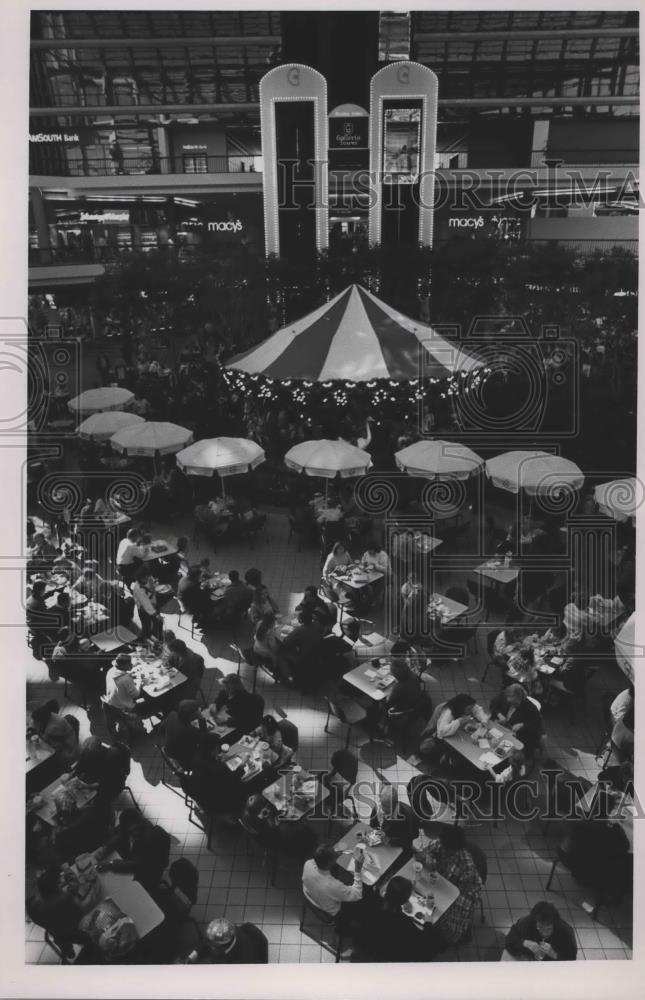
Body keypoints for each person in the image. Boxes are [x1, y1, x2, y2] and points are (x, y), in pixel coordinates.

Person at [95, 809, 171, 894]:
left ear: (138, 824)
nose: (129, 832)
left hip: (149, 872)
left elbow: (135, 865)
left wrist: (110, 863)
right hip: (137, 861)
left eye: (131, 829)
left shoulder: (149, 839)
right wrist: (105, 848)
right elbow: (121, 834)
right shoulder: (137, 823)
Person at [431, 826, 483, 948]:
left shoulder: (466, 865)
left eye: (448, 850)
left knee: (451, 919)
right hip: (444, 883)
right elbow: (428, 851)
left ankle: (453, 937)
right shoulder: (442, 843)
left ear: (456, 849)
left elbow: (454, 889)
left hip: (465, 893)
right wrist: (429, 857)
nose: (444, 850)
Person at [353, 876, 422, 963]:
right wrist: (428, 924)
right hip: (380, 955)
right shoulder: (403, 922)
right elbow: (420, 946)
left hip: (361, 943)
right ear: (405, 900)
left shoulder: (372, 901)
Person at [26, 867, 87, 959]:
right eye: (58, 883)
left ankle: (68, 952)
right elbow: (74, 886)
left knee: (62, 941)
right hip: (73, 930)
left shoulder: (31, 904)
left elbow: (36, 918)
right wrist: (67, 871)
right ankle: (88, 945)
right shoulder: (63, 899)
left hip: (57, 933)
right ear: (55, 888)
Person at [241, 794, 317, 858]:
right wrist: (274, 825)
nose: (265, 809)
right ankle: (305, 848)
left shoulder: (247, 814)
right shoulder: (261, 823)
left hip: (266, 835)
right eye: (264, 806)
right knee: (298, 825)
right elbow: (273, 834)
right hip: (276, 841)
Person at [302, 844, 365, 920]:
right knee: (363, 899)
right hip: (330, 910)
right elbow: (357, 894)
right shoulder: (333, 885)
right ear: (330, 863)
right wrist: (357, 869)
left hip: (309, 894)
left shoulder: (308, 864)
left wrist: (334, 854)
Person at [505, 901, 578, 961]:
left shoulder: (565, 931)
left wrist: (554, 955)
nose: (544, 933)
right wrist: (524, 942)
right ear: (535, 921)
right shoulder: (527, 922)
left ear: (554, 924)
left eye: (548, 929)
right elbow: (508, 941)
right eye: (540, 927)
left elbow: (572, 959)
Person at [419, 693, 485, 757]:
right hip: (440, 734)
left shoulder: (467, 706)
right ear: (461, 707)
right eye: (468, 709)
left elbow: (477, 709)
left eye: (471, 708)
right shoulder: (448, 713)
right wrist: (458, 721)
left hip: (458, 732)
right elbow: (441, 731)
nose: (471, 711)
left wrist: (483, 720)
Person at [489, 684, 544, 758]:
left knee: (504, 752)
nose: (512, 705)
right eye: (510, 703)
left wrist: (522, 725)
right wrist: (499, 714)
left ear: (520, 698)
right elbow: (492, 705)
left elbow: (537, 724)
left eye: (515, 703)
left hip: (518, 735)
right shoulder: (504, 696)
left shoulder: (530, 707)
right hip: (503, 728)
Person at [163, 699, 218, 770]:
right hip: (183, 759)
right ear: (192, 715)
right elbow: (206, 736)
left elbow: (161, 729)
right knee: (208, 747)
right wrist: (201, 718)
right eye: (198, 710)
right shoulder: (190, 731)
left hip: (168, 750)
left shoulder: (172, 714)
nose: (200, 710)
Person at [185, 918, 268, 964]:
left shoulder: (243, 960)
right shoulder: (230, 931)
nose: (208, 943)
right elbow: (206, 942)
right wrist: (194, 955)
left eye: (212, 944)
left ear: (222, 946)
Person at [280, 609, 326, 688]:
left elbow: (286, 642)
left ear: (301, 620)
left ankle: (290, 680)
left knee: (282, 655)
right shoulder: (318, 624)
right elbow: (323, 631)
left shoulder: (299, 631)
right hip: (318, 652)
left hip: (304, 657)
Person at [369, 785, 419, 851]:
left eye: (387, 807)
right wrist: (377, 834)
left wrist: (390, 840)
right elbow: (373, 825)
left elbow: (414, 835)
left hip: (399, 847)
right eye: (382, 804)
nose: (383, 809)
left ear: (395, 804)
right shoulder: (378, 808)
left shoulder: (409, 815)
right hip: (382, 844)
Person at [103, 653, 145, 724]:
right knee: (150, 700)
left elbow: (121, 680)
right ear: (126, 666)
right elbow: (136, 694)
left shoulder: (111, 670)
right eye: (129, 664)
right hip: (123, 707)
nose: (131, 665)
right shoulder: (126, 679)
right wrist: (139, 682)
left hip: (111, 702)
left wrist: (130, 675)